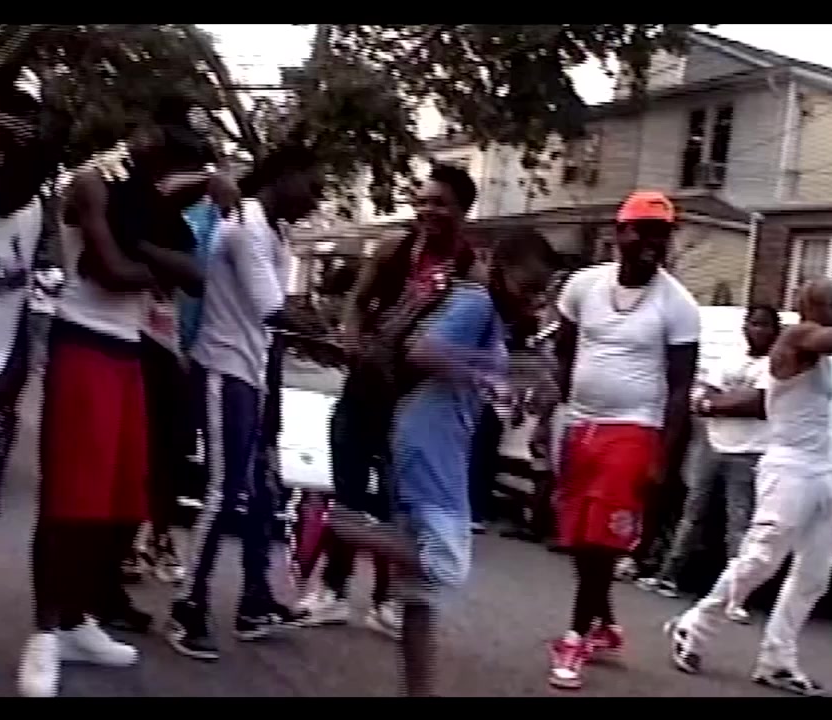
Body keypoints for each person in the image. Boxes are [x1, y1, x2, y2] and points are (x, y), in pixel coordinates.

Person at [17, 110, 214, 698]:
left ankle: (78, 621)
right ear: (146, 140)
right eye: (171, 158)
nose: (173, 174)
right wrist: (156, 263)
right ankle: (44, 633)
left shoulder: (145, 196)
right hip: (83, 342)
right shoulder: (93, 181)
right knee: (68, 503)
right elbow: (110, 270)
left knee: (117, 504)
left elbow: (194, 274)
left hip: (128, 349)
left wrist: (147, 252)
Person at [329, 218, 557, 698]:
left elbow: (468, 372)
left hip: (432, 442)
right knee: (447, 563)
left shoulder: (491, 318)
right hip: (427, 445)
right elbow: (422, 351)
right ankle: (332, 522)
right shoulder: (477, 304)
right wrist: (486, 377)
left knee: (420, 593)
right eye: (528, 287)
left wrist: (506, 389)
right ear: (498, 269)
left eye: (542, 292)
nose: (534, 301)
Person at [665, 279, 832, 696]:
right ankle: (694, 625)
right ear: (812, 307)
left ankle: (777, 658)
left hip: (820, 469)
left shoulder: (818, 351)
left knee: (816, 572)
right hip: (788, 468)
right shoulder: (796, 338)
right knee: (760, 559)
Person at [295, 164, 479, 636]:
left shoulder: (471, 273)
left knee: (401, 506)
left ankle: (388, 600)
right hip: (365, 388)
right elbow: (357, 302)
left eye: (440, 204)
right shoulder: (394, 249)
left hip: (415, 405)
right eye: (423, 201)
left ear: (463, 212)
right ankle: (332, 591)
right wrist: (354, 339)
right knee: (349, 493)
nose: (428, 211)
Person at [167, 144, 324, 661]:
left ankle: (253, 602)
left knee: (259, 491)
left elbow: (273, 322)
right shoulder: (247, 225)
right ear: (284, 176)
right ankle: (188, 605)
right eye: (313, 187)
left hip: (249, 373)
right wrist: (334, 338)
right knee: (223, 491)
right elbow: (273, 310)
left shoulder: (274, 231)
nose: (316, 200)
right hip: (224, 368)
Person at [547, 190, 700, 691]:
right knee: (577, 536)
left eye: (663, 234)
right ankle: (605, 624)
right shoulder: (584, 285)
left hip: (635, 429)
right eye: (644, 231)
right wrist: (554, 412)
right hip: (580, 424)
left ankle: (574, 637)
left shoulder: (678, 305)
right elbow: (563, 352)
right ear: (620, 233)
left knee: (602, 538)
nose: (653, 242)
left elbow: (680, 388)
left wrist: (663, 456)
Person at [0, 92, 63, 691]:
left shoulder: (34, 212)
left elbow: (35, 302)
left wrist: (15, 374)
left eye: (34, 185)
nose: (19, 198)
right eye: (16, 181)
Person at [126, 173, 242, 587]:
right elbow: (163, 193)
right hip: (154, 340)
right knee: (146, 449)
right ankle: (136, 541)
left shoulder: (231, 225)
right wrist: (210, 178)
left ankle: (156, 538)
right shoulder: (186, 218)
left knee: (172, 455)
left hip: (188, 349)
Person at [638, 305, 783, 619]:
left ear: (775, 331)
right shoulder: (731, 357)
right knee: (692, 512)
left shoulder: (776, 366)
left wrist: (714, 404)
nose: (757, 330)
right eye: (753, 323)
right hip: (713, 444)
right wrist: (718, 402)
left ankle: (735, 597)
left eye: (764, 325)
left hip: (748, 451)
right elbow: (704, 392)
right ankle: (668, 576)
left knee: (738, 523)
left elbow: (758, 405)